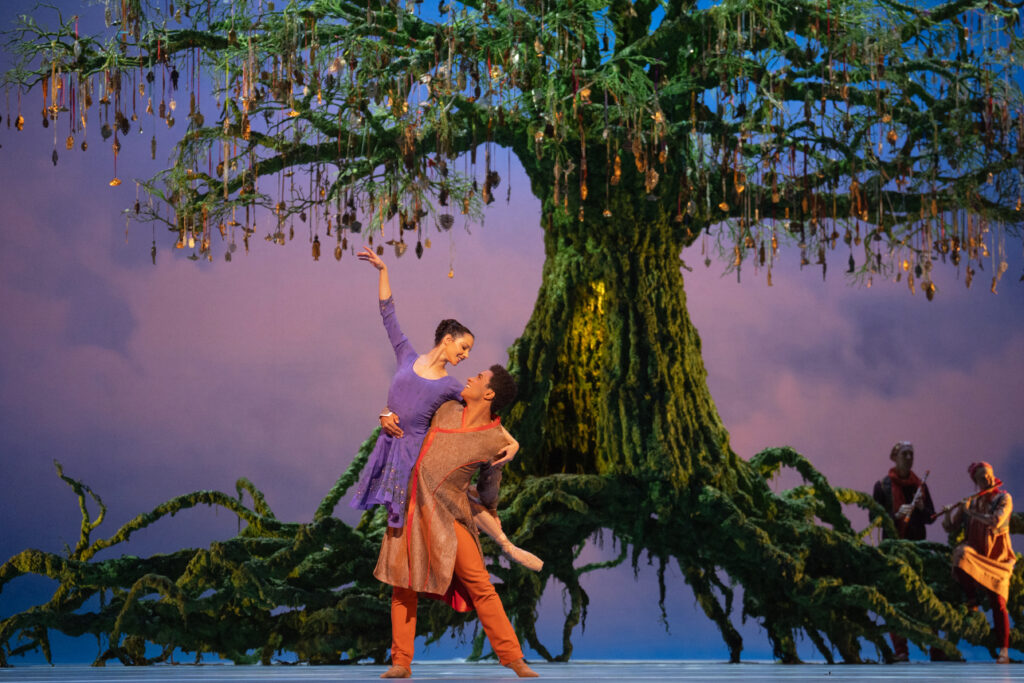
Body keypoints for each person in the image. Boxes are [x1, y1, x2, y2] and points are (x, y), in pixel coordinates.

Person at [374, 366, 539, 678]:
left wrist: (491, 513)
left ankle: (513, 658)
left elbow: (490, 489)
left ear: (489, 393)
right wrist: (385, 412)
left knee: (480, 584)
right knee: (403, 586)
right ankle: (400, 663)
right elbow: (405, 405)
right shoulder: (446, 408)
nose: (471, 377)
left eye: (479, 377)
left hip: (451, 513)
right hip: (414, 507)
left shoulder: (494, 441)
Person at [349, 247, 517, 528]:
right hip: (388, 446)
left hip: (414, 458)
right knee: (389, 529)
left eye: (468, 352)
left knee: (404, 525)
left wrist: (512, 442)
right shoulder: (406, 354)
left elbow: (480, 412)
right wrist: (383, 271)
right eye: (464, 347)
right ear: (448, 339)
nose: (465, 355)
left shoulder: (451, 386)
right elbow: (388, 314)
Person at [942, 461, 1015, 664]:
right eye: (982, 477)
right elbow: (950, 527)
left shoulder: (1004, 498)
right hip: (976, 557)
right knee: (961, 554)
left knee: (999, 603)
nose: (988, 479)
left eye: (989, 475)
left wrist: (970, 512)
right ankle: (972, 599)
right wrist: (949, 512)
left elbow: (995, 521)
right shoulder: (972, 502)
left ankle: (1004, 652)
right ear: (976, 482)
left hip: (997, 561)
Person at [871, 440, 936, 661]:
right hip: (894, 550)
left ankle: (936, 649)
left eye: (911, 453)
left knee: (925, 599)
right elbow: (875, 519)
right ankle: (901, 651)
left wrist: (921, 509)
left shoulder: (921, 486)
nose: (909, 458)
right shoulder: (882, 486)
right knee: (896, 601)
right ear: (895, 457)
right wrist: (896, 515)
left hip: (918, 550)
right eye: (905, 453)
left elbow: (931, 518)